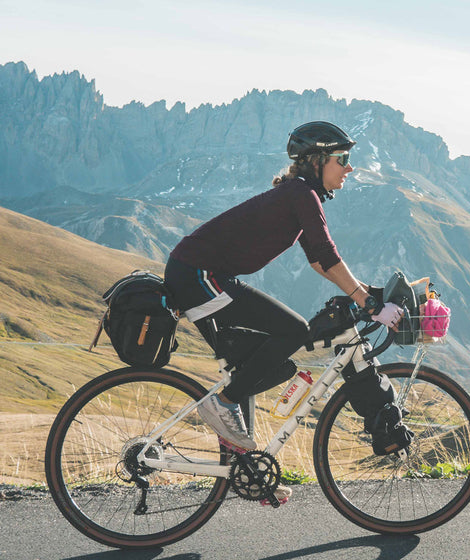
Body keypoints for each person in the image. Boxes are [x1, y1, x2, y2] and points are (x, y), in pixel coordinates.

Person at [164, 121, 404, 499]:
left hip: (204, 275)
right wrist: (367, 302)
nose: (349, 168)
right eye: (342, 159)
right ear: (318, 160)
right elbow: (326, 255)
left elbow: (318, 263)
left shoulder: (300, 194)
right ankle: (223, 404)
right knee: (293, 331)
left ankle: (248, 475)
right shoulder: (301, 195)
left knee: (273, 363)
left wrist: (369, 293)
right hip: (199, 276)